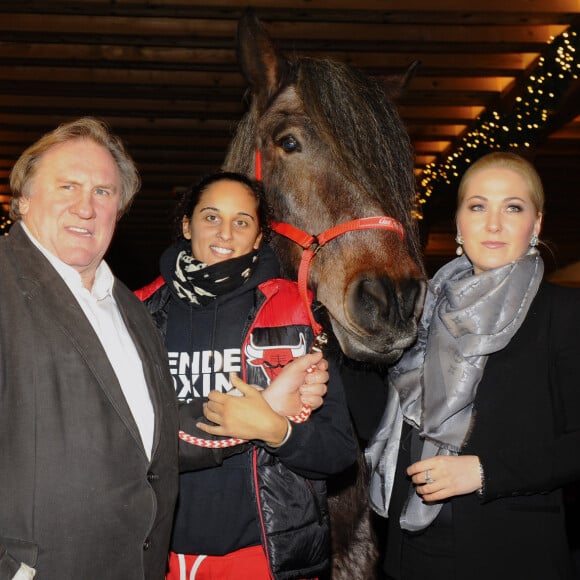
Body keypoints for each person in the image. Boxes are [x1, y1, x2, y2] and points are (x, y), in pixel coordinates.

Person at [0, 118, 329, 580]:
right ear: (24, 199)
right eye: (68, 185)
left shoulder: (127, 309)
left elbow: (149, 438)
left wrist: (271, 409)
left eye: (103, 192)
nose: (85, 207)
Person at [367, 151, 580, 579]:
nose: (493, 223)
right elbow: (379, 415)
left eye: (512, 208)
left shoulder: (565, 313)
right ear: (459, 223)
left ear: (536, 225)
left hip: (513, 555)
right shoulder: (421, 311)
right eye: (478, 206)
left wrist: (483, 472)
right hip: (411, 553)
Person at [137, 171, 358, 580]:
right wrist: (246, 420)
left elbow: (339, 451)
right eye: (210, 217)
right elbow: (125, 443)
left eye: (242, 221)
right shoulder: (139, 314)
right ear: (187, 224)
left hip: (265, 553)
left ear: (259, 237)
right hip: (158, 553)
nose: (225, 232)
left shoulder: (298, 312)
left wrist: (279, 432)